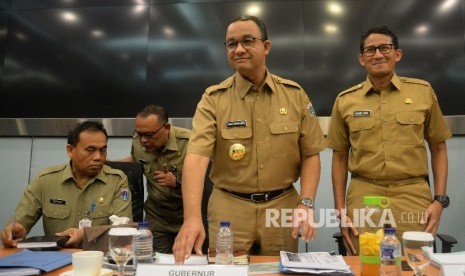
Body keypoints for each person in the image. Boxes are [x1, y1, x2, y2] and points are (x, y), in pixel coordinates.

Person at [173, 15, 326, 263]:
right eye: (231, 44)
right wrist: (191, 218)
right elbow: (197, 158)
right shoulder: (213, 99)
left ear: (265, 47)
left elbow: (311, 154)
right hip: (229, 207)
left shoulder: (294, 95)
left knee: (279, 270)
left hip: (282, 208)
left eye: (247, 41)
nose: (239, 49)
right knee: (227, 270)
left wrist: (306, 203)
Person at [326, 25, 451, 255]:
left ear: (397, 54)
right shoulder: (345, 101)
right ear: (361, 59)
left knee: (413, 265)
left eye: (385, 48)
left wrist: (439, 201)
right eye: (370, 50)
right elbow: (339, 158)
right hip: (365, 197)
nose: (378, 54)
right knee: (367, 265)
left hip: (413, 197)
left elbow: (439, 149)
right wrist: (341, 210)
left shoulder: (422, 92)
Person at [1, 121, 133, 248]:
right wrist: (15, 230)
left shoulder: (117, 181)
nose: (98, 157)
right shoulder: (46, 180)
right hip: (56, 259)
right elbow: (20, 223)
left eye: (103, 150)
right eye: (90, 150)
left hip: (99, 258)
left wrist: (86, 235)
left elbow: (123, 231)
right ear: (70, 150)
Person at [119, 104, 191, 253]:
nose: (144, 140)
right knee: (154, 262)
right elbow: (135, 159)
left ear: (167, 128)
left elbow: (210, 180)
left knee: (189, 264)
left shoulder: (190, 142)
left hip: (187, 216)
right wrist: (107, 165)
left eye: (149, 135)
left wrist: (177, 182)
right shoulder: (137, 142)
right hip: (157, 217)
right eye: (140, 134)